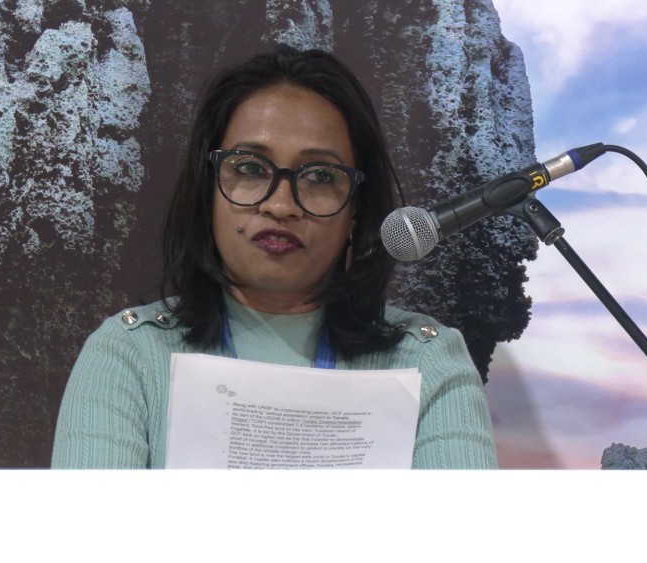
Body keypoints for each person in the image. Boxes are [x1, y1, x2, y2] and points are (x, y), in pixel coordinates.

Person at [51, 44, 497, 469]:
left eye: (320, 176)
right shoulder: (130, 355)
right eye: (249, 168)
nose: (281, 205)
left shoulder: (426, 363)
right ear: (207, 192)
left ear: (356, 212)